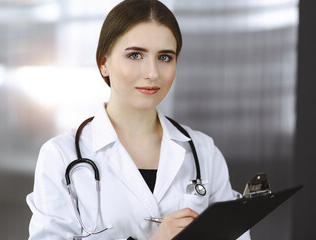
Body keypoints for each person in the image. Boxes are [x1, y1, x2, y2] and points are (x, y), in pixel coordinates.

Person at [26, 0, 251, 239]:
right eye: (135, 55)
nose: (152, 73)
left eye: (165, 57)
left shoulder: (203, 151)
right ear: (104, 63)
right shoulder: (61, 155)